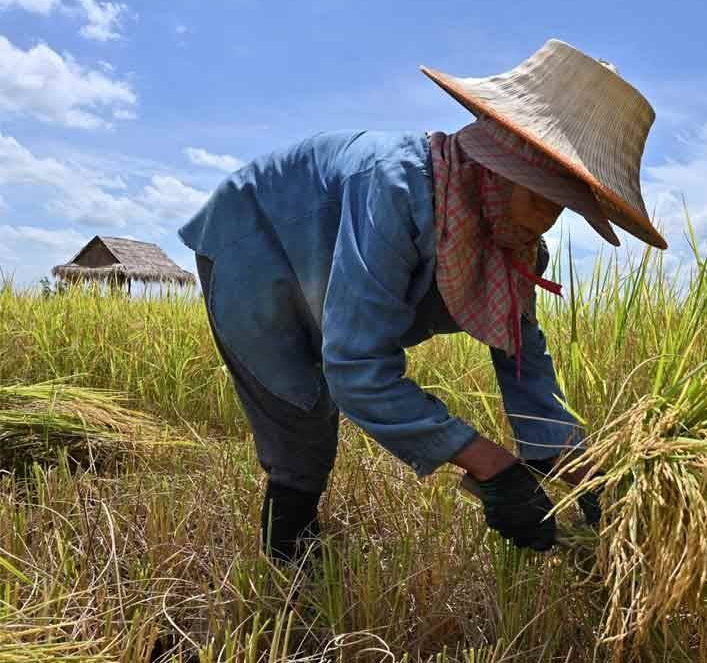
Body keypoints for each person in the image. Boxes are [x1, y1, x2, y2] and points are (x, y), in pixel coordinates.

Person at [177, 39, 667, 561]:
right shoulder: (393, 189)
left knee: (322, 395)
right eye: (539, 197)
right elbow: (357, 367)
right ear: (498, 165)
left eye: (562, 207)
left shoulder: (515, 244)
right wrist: (490, 466)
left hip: (325, 258)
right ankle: (290, 565)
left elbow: (522, 355)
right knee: (300, 416)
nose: (543, 221)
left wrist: (570, 461)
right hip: (258, 244)